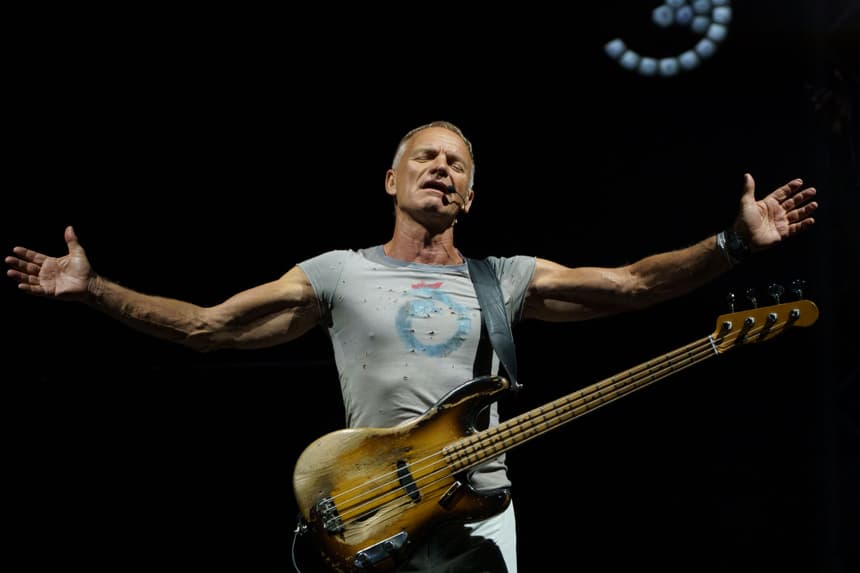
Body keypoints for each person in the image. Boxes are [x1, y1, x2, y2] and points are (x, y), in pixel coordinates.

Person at [5, 120, 818, 573]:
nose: (441, 167)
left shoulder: (507, 277)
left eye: (457, 163)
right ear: (390, 182)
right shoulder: (335, 273)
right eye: (424, 156)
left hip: (481, 517)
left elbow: (634, 285)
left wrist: (731, 245)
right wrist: (96, 289)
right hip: (373, 511)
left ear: (470, 192)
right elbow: (208, 327)